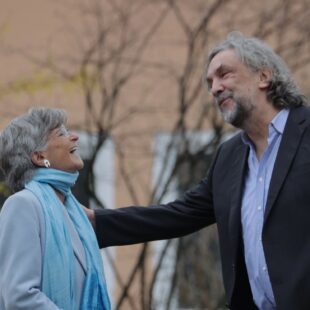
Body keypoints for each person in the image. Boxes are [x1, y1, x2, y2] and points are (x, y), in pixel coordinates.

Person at [86, 31, 310, 310]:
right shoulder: (228, 158)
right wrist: (96, 222)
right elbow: (176, 215)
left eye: (224, 74)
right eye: (210, 82)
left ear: (264, 77)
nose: (215, 88)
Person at [0, 107, 110, 310]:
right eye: (62, 134)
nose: (74, 137)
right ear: (40, 158)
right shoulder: (23, 205)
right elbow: (20, 296)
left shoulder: (72, 211)